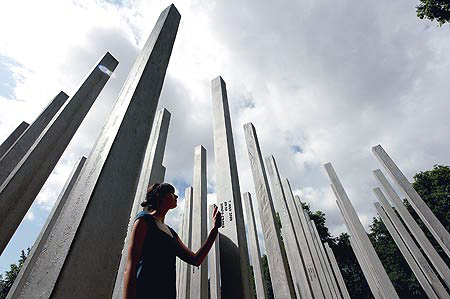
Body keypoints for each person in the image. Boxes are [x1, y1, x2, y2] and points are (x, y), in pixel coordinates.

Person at [123, 182, 221, 299]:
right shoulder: (144, 220)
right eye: (172, 193)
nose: (176, 196)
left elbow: (196, 259)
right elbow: (131, 266)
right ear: (161, 197)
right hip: (144, 292)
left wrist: (214, 230)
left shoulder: (171, 233)